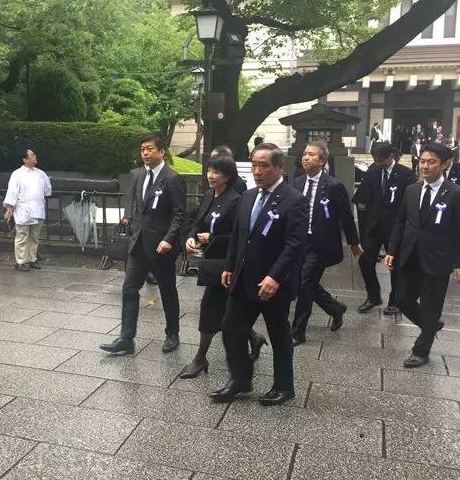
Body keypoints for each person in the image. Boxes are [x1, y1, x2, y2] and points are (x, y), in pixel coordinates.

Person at [212, 144, 307, 405]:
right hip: (244, 277)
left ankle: (284, 386)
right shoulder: (248, 196)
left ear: (279, 167)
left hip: (274, 283)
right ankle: (241, 380)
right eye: (254, 164)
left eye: (264, 165)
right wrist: (229, 265)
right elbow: (238, 236)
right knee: (231, 329)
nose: (257, 171)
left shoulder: (294, 200)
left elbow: (295, 245)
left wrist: (275, 277)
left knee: (279, 334)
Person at [179, 155, 266, 379]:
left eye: (216, 172)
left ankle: (200, 358)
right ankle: (254, 337)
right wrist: (191, 237)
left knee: (211, 307)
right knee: (228, 311)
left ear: (227, 176)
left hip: (228, 265)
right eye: (209, 171)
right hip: (210, 262)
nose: (210, 176)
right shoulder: (209, 195)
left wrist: (213, 237)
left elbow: (239, 236)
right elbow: (197, 221)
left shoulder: (236, 200)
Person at [100, 135, 186, 355]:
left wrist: (169, 239)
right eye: (142, 150)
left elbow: (179, 214)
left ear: (161, 151)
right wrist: (128, 216)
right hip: (137, 243)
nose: (145, 153)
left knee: (167, 291)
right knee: (129, 289)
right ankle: (126, 339)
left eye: (149, 149)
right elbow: (132, 199)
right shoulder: (137, 175)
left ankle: (172, 333)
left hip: (161, 246)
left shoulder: (172, 178)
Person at [385, 143, 460, 368]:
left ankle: (421, 350)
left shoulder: (456, 194)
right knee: (402, 299)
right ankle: (430, 324)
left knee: (431, 305)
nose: (425, 166)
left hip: (438, 259)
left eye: (431, 162)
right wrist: (392, 250)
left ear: (444, 164)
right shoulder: (412, 189)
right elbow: (400, 222)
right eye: (422, 161)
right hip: (410, 255)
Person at [290, 142, 362, 346]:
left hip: (320, 244)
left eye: (311, 155)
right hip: (300, 242)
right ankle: (335, 308)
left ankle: (298, 331)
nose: (306, 158)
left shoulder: (333, 185)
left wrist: (354, 242)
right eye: (304, 154)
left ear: (321, 161)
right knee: (305, 282)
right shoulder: (297, 182)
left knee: (304, 284)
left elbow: (346, 217)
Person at [353, 143, 416, 315]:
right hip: (373, 226)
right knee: (365, 261)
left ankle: (395, 300)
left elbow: (411, 202)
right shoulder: (373, 172)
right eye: (375, 160)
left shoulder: (406, 174)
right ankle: (373, 296)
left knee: (395, 264)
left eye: (380, 160)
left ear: (390, 157)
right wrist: (362, 205)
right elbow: (362, 198)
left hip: (395, 228)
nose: (377, 163)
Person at [3, 149, 52, 271]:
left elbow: (47, 190)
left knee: (34, 237)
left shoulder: (41, 174)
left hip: (38, 208)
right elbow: (12, 193)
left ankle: (32, 259)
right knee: (22, 236)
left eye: (35, 154)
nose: (35, 156)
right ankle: (20, 261)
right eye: (32, 155)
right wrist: (10, 209)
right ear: (25, 159)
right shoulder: (17, 174)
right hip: (23, 209)